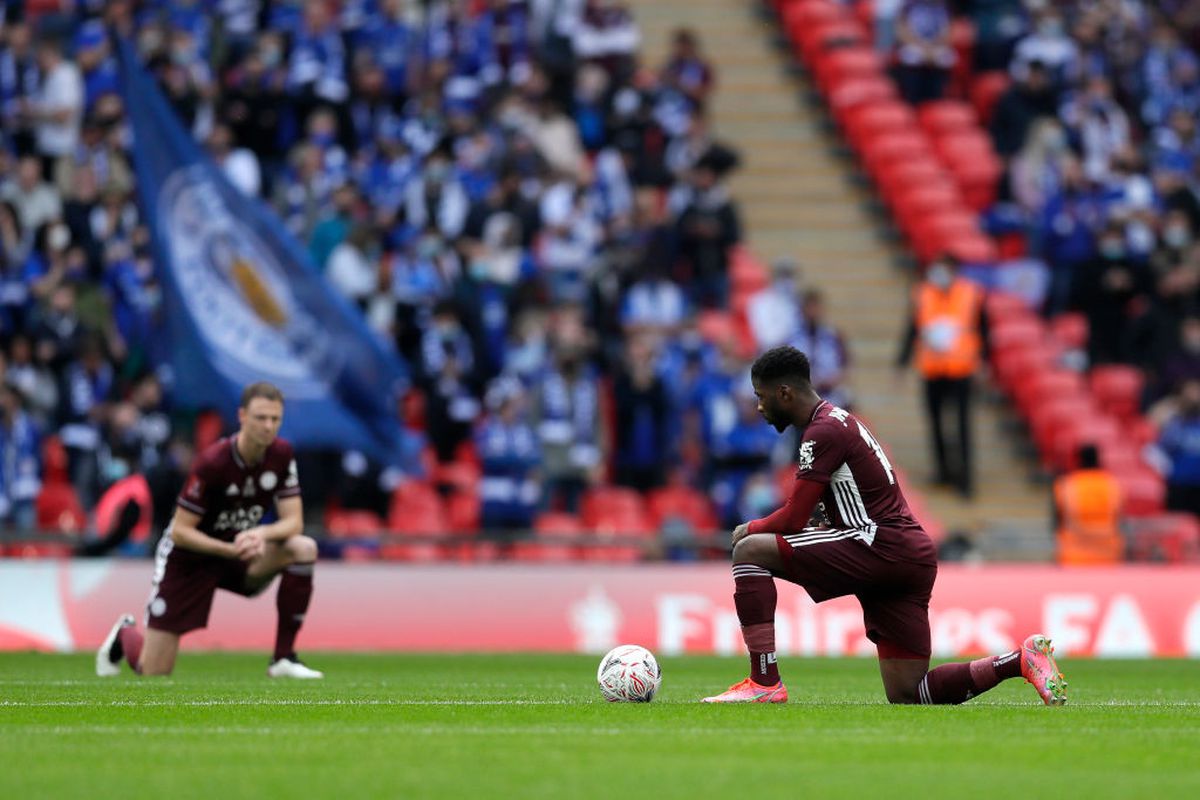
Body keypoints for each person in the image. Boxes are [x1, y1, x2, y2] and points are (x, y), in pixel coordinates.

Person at [702, 346, 1067, 706]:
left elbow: (794, 518)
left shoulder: (822, 431)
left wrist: (750, 527)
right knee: (910, 692)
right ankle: (1019, 660)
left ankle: (764, 682)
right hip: (907, 555)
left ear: (784, 392)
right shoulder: (840, 421)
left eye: (761, 396)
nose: (759, 406)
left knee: (749, 550)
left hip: (876, 546)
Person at [95, 382, 323, 679]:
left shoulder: (282, 455)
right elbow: (181, 532)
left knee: (303, 548)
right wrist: (228, 549)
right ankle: (124, 634)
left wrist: (260, 534)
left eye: (275, 419)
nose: (268, 426)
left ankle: (283, 658)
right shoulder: (213, 462)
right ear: (242, 416)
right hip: (189, 560)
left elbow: (294, 522)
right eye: (260, 418)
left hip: (238, 555)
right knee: (154, 673)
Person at [895, 255, 987, 497]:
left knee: (962, 425)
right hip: (932, 368)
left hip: (961, 369)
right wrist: (902, 362)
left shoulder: (971, 294)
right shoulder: (923, 293)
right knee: (935, 422)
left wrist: (983, 362)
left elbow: (983, 330)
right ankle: (943, 471)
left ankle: (965, 478)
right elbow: (913, 328)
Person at [1053, 444, 1124, 566]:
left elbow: (1057, 521)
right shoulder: (1113, 485)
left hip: (1073, 557)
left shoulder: (1067, 486)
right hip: (1108, 556)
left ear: (1078, 460)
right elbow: (1119, 520)